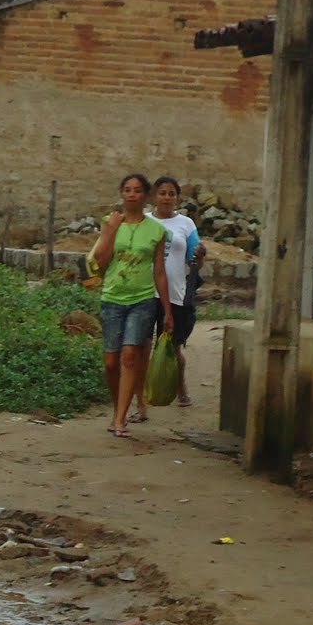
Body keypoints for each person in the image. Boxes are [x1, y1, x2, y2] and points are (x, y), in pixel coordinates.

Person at [93, 174, 171, 438]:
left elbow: (159, 271)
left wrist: (168, 310)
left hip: (143, 300)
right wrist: (112, 230)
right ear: (121, 193)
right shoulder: (110, 223)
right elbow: (100, 262)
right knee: (111, 362)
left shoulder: (157, 230)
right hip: (112, 299)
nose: (131, 195)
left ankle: (120, 419)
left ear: (145, 195)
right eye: (127, 190)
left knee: (129, 356)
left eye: (137, 190)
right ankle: (119, 408)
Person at [128, 176, 205, 417]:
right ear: (153, 196)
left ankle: (180, 387)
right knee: (143, 348)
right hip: (144, 292)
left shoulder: (186, 224)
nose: (167, 198)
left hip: (175, 293)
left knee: (171, 346)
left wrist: (200, 255)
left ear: (177, 198)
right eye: (162, 193)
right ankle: (142, 402)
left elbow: (195, 258)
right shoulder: (145, 221)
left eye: (172, 194)